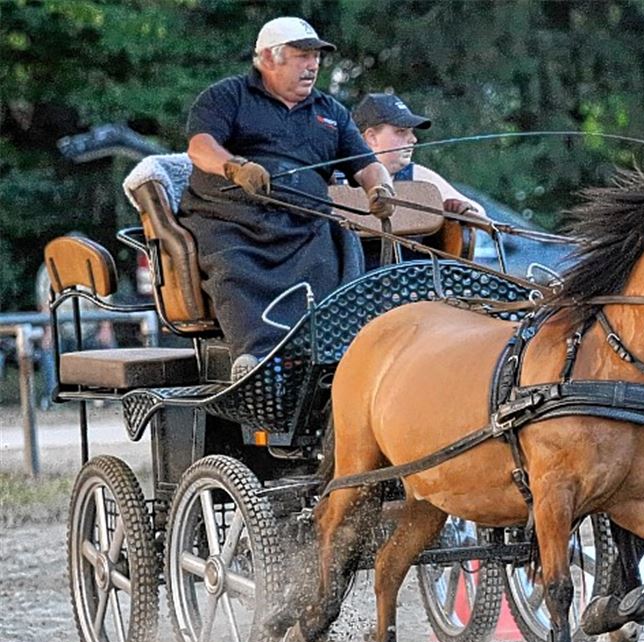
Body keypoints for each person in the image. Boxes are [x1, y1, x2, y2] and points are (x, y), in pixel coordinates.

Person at [178, 17, 395, 379]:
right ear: (267, 59)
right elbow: (200, 148)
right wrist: (235, 167)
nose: (312, 65)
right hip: (231, 217)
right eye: (301, 56)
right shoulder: (226, 95)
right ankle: (252, 359)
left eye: (316, 57)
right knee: (232, 267)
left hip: (304, 220)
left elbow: (368, 166)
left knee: (338, 253)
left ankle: (332, 355)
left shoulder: (332, 113)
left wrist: (380, 189)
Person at [351, 93, 485, 267]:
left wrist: (460, 208)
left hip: (414, 285)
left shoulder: (418, 177)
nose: (413, 139)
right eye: (401, 131)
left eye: (411, 132)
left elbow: (480, 214)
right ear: (371, 137)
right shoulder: (338, 179)